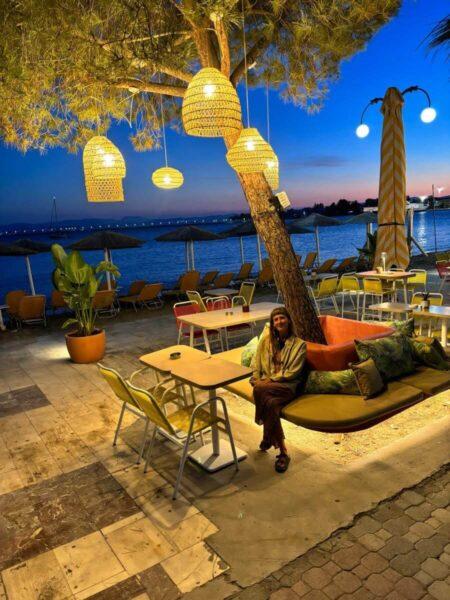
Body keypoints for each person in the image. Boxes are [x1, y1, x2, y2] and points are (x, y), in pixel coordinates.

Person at [250, 307, 307, 473]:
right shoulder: (266, 341)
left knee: (259, 389)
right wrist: (256, 377)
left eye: (282, 318)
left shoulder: (299, 345)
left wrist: (268, 380)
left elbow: (292, 372)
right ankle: (283, 452)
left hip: (287, 387)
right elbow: (256, 362)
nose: (279, 322)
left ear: (288, 320)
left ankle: (267, 437)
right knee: (271, 404)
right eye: (275, 320)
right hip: (268, 389)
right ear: (273, 324)